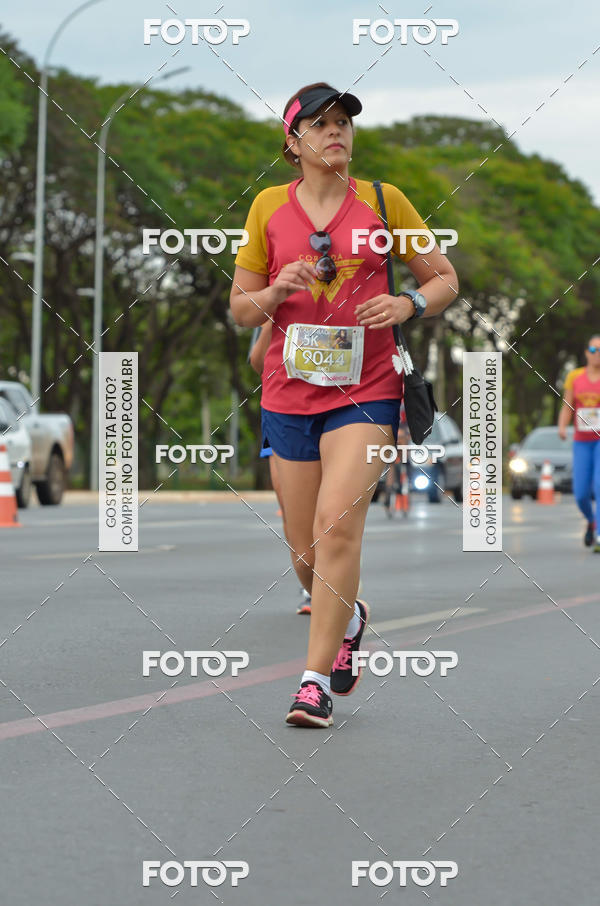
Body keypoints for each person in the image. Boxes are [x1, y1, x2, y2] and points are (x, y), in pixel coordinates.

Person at [230, 82, 458, 727]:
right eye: (320, 124)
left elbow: (444, 279)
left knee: (337, 527)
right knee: (305, 554)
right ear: (293, 143)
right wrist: (278, 289)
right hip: (288, 394)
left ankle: (313, 684)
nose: (336, 132)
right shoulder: (268, 208)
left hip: (367, 391)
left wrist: (408, 303)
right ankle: (349, 616)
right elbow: (240, 309)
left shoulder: (385, 202)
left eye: (343, 123)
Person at [250, 322, 312, 614]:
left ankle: (338, 582)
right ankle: (313, 583)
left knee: (333, 513)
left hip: (340, 411)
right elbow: (258, 362)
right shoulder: (274, 305)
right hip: (285, 413)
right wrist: (270, 318)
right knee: (291, 508)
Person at [559, 336, 600, 550]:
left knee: (599, 485)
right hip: (582, 442)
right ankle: (591, 521)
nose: (597, 354)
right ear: (586, 352)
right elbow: (567, 405)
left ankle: (599, 534)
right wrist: (562, 426)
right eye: (593, 349)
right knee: (581, 493)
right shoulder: (575, 376)